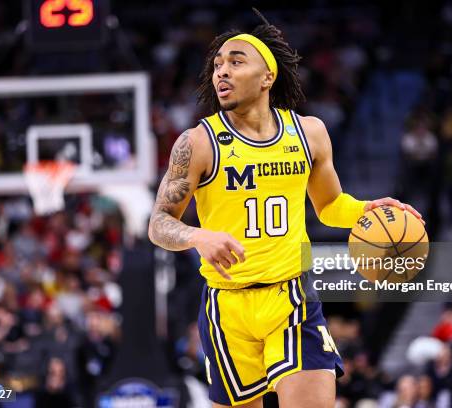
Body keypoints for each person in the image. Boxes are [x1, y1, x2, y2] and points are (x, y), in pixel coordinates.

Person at [148, 10, 423, 408]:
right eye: (217, 65)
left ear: (267, 77)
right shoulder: (198, 143)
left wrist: (365, 210)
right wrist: (197, 235)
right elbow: (158, 223)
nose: (221, 72)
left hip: (291, 300)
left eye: (236, 61)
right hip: (227, 307)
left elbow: (329, 206)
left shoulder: (309, 133)